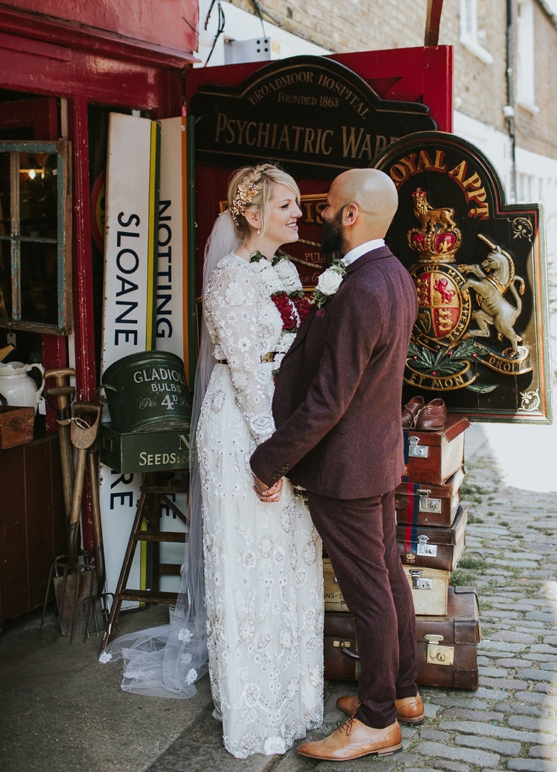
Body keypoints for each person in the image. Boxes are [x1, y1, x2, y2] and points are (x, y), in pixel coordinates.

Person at [102, 164, 325, 759]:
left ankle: (295, 695)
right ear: (251, 214)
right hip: (244, 430)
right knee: (248, 561)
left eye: (299, 205)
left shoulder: (283, 273)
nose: (298, 214)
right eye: (287, 206)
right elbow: (250, 373)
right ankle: (253, 709)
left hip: (280, 428)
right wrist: (270, 456)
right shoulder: (230, 279)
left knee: (287, 557)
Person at [250, 167, 422, 762]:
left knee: (369, 591)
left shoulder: (361, 288)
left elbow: (328, 401)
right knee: (388, 576)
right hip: (376, 459)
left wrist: (269, 461)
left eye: (325, 207)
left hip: (346, 470)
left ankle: (377, 722)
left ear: (350, 216)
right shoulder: (392, 275)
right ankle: (402, 692)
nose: (316, 215)